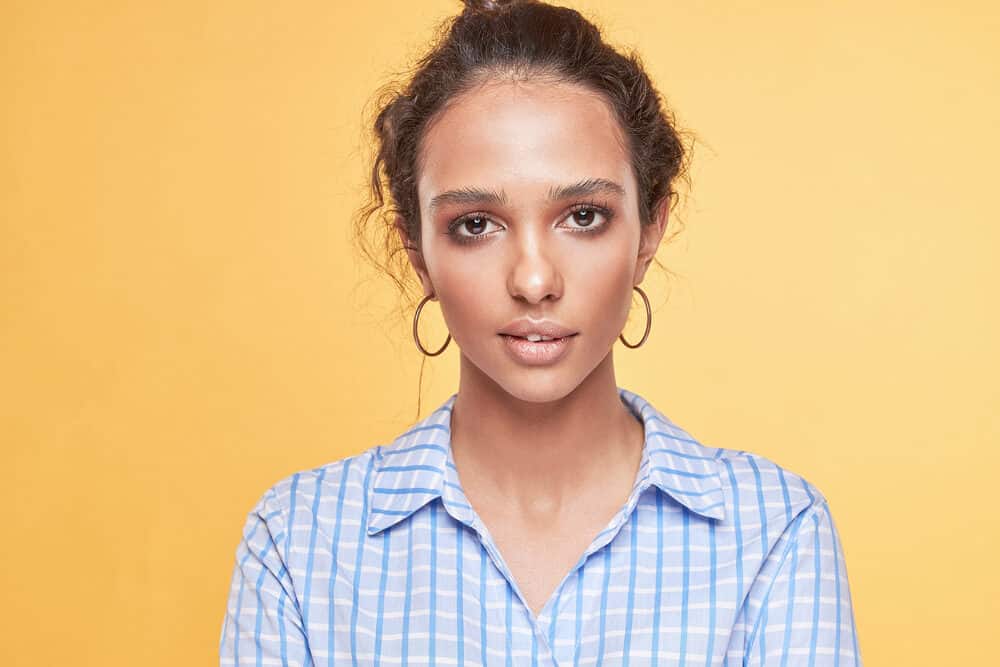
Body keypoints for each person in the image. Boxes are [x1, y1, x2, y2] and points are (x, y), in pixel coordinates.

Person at [219, 0, 862, 664]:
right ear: (416, 248)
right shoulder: (298, 542)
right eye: (475, 224)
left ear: (650, 229)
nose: (533, 279)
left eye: (583, 216)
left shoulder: (775, 532)